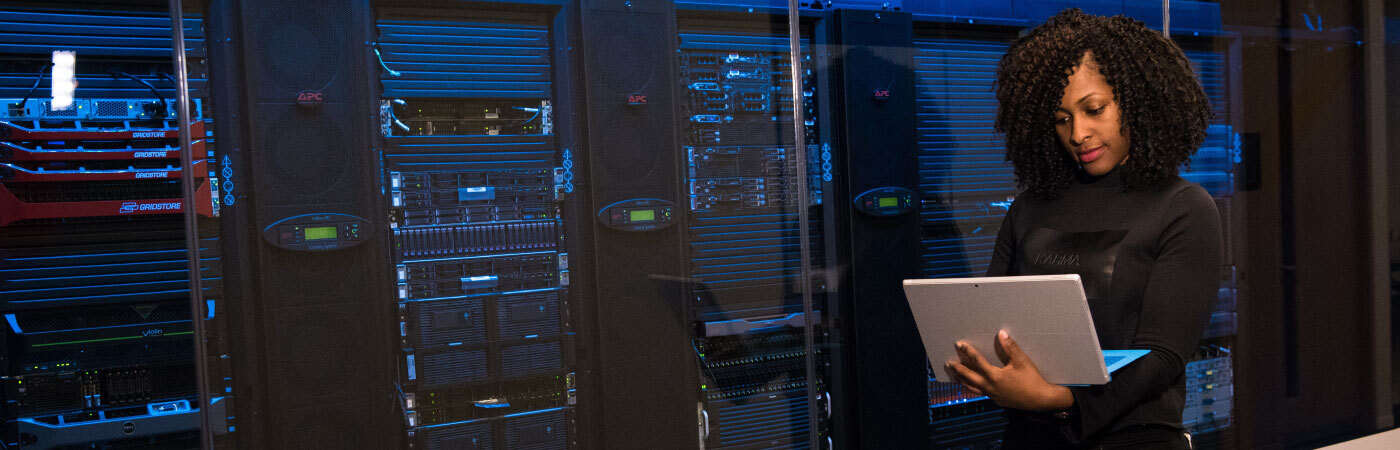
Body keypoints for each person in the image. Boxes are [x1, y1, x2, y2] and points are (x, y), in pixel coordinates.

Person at [940, 8, 1222, 450]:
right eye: (1061, 118)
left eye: (1094, 109)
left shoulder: (1183, 207)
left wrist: (1060, 399)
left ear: (1137, 100)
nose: (1078, 133)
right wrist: (983, 368)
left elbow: (1164, 356)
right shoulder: (1030, 208)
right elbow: (991, 319)